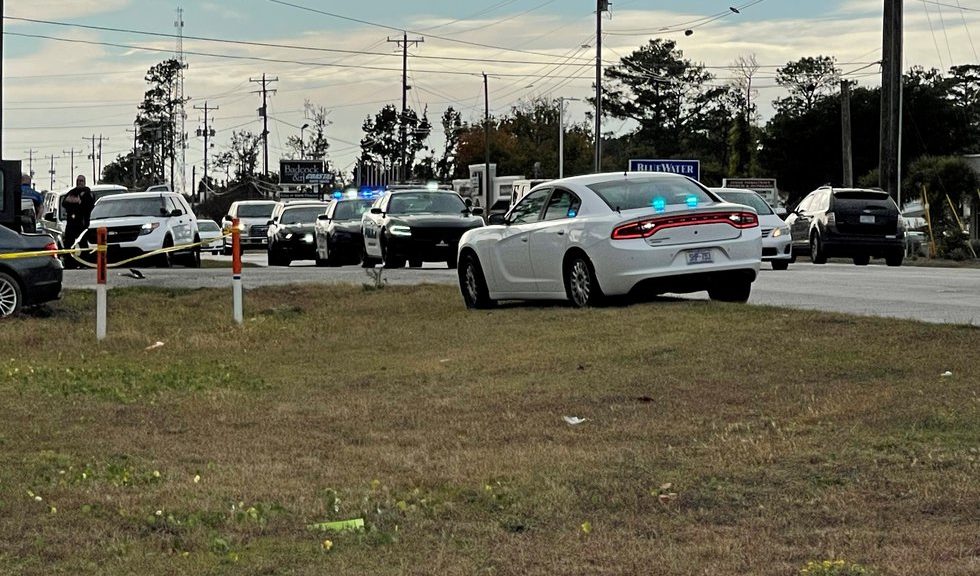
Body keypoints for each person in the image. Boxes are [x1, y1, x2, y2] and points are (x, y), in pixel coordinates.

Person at [63, 175, 95, 267]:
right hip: (71, 224)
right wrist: (76, 201)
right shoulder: (72, 192)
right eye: (78, 181)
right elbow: (65, 202)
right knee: (69, 244)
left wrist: (76, 202)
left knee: (83, 243)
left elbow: (87, 205)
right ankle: (69, 263)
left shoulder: (88, 193)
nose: (79, 182)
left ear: (84, 182)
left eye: (81, 181)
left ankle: (85, 263)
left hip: (82, 223)